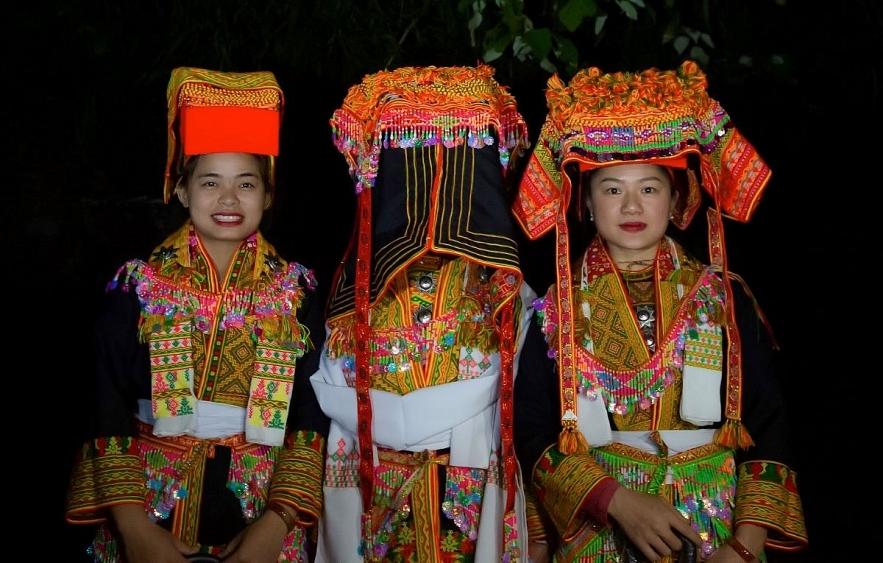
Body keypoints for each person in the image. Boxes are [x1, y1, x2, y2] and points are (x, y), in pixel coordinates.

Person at [510, 61, 809, 562]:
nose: (631, 206)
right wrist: (617, 502)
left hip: (713, 531)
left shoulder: (721, 298)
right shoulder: (555, 310)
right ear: (584, 203)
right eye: (612, 189)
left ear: (677, 199)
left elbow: (769, 423)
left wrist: (744, 546)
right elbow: (534, 431)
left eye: (648, 188)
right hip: (598, 533)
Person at [64, 67, 329, 563]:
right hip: (150, 513)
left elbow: (312, 420)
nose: (228, 199)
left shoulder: (297, 294)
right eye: (211, 182)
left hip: (261, 517)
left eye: (246, 183)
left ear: (268, 196)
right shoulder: (138, 287)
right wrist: (134, 527)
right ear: (182, 191)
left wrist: (280, 522)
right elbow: (105, 406)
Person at [309, 64, 535, 562]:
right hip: (373, 505)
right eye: (411, 153)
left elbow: (532, 415)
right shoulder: (353, 300)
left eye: (456, 155)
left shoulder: (505, 293)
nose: (434, 174)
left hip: (474, 502)